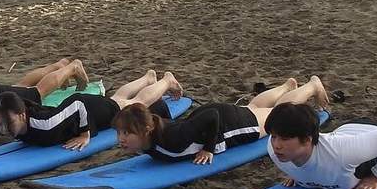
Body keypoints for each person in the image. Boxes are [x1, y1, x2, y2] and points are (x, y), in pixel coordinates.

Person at [113, 77, 311, 165]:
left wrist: (209, 148)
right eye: (119, 132)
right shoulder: (150, 136)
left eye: (126, 133)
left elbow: (212, 117)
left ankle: (312, 86)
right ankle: (286, 86)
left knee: (277, 116)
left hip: (227, 124)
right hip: (210, 115)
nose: (120, 138)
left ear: (146, 130)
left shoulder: (174, 139)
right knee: (254, 108)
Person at [0, 70, 181, 150]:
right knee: (117, 100)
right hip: (83, 111)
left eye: (7, 123)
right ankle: (148, 78)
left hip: (89, 110)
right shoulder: (22, 125)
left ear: (22, 115)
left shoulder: (45, 124)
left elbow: (77, 102)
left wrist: (85, 134)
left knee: (133, 104)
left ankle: (166, 80)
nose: (3, 129)